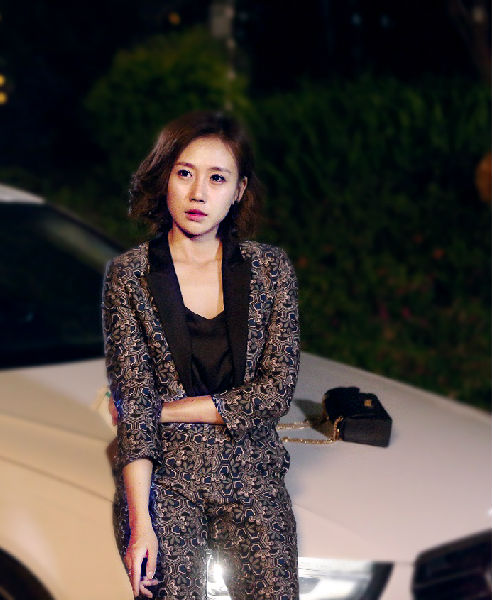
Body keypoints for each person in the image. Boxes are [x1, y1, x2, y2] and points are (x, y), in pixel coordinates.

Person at [101, 110, 300, 599]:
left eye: (217, 178)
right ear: (164, 178)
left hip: (252, 469)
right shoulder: (129, 276)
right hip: (167, 477)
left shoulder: (270, 270)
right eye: (185, 173)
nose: (197, 194)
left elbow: (274, 393)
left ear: (238, 191)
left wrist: (162, 410)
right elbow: (134, 403)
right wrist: (141, 524)